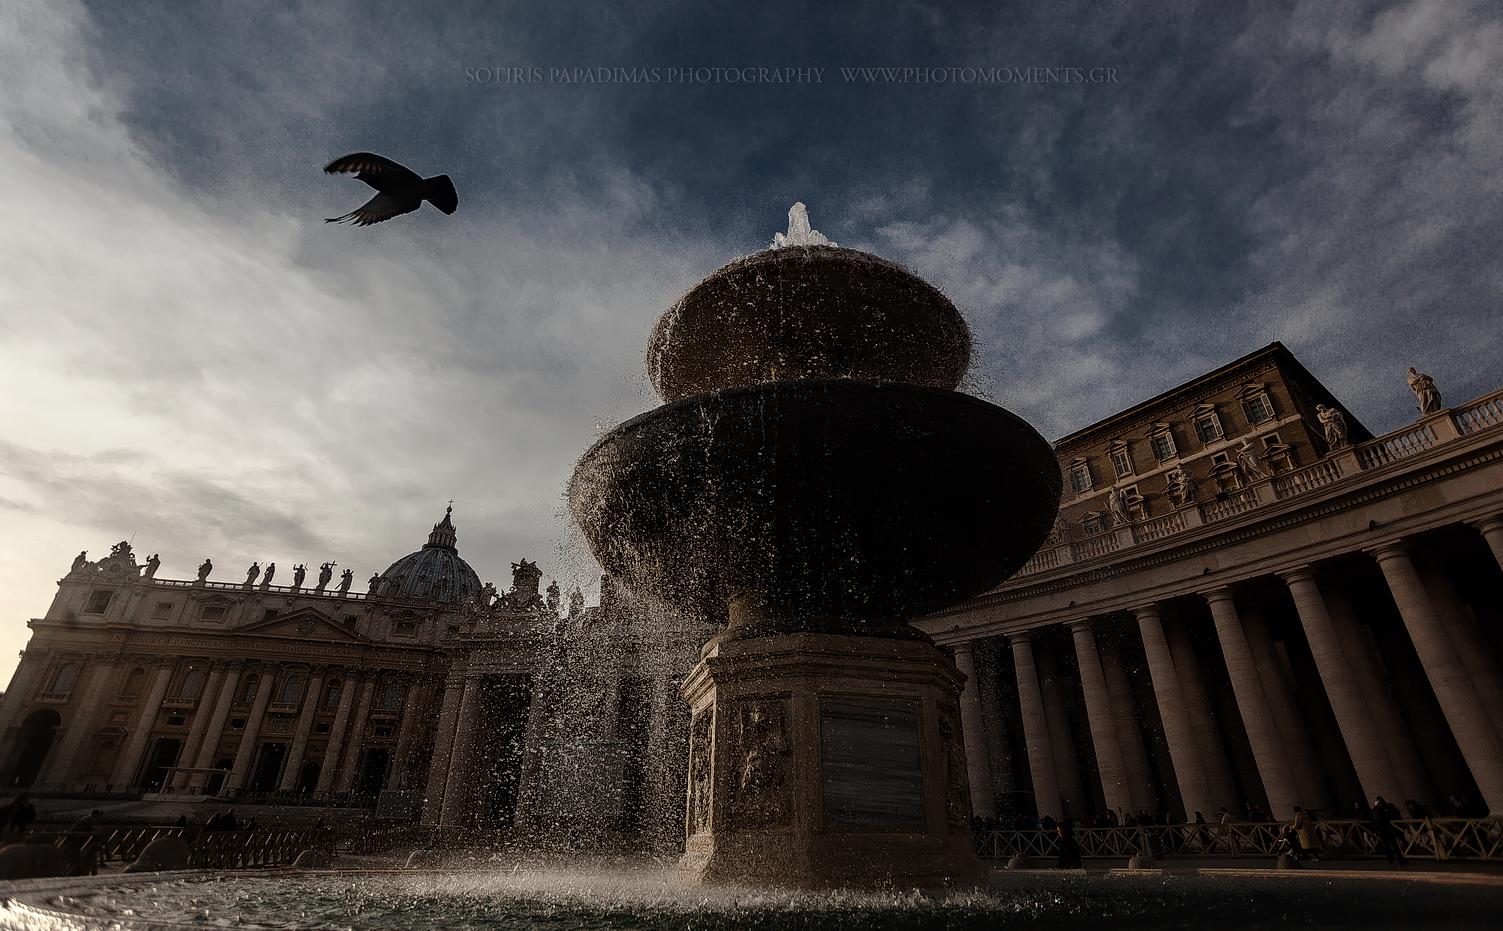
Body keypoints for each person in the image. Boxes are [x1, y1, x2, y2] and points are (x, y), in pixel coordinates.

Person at [1371, 796, 1408, 864]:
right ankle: (1400, 859)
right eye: (1381, 804)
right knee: (1395, 845)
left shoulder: (1373, 811)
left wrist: (1377, 830)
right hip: (1386, 830)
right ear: (1379, 804)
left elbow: (1373, 821)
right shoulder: (1380, 811)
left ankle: (1390, 859)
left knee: (1387, 846)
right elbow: (1381, 821)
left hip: (1381, 831)